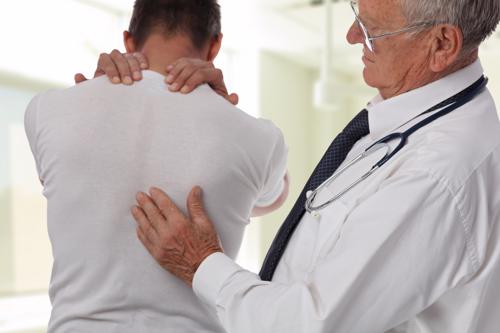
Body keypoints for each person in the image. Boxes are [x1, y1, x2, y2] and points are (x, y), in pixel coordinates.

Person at [91, 0, 500, 332]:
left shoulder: (437, 173)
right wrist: (214, 115)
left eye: (372, 29)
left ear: (442, 44)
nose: (352, 35)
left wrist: (199, 262)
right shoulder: (406, 120)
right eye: (356, 14)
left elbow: (307, 323)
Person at [24, 0, 289, 332]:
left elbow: (61, 181)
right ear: (215, 46)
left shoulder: (46, 110)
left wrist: (90, 96)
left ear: (129, 41)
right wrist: (228, 113)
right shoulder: (260, 138)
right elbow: (275, 198)